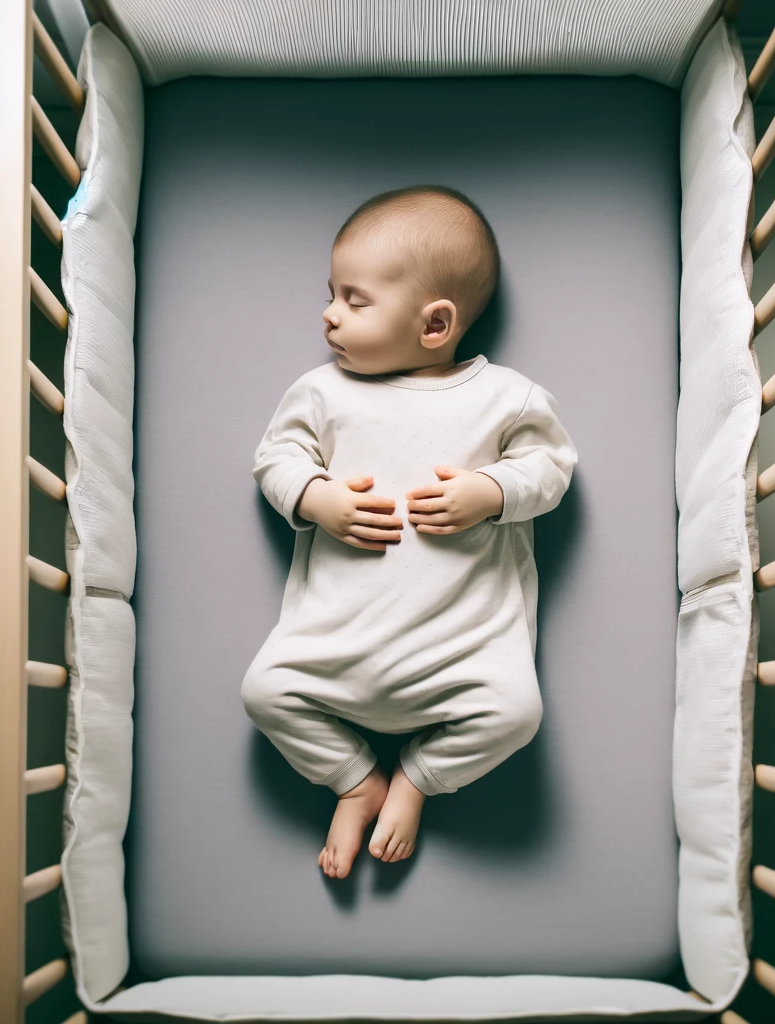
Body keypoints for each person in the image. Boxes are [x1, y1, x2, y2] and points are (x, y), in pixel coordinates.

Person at [241, 184, 577, 880]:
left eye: (354, 300)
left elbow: (552, 467)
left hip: (461, 657)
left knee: (516, 714)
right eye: (332, 293)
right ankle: (356, 781)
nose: (329, 316)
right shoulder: (321, 392)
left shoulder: (503, 398)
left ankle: (418, 778)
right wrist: (316, 496)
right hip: (334, 650)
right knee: (263, 694)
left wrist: (491, 492)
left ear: (434, 325)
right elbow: (274, 459)